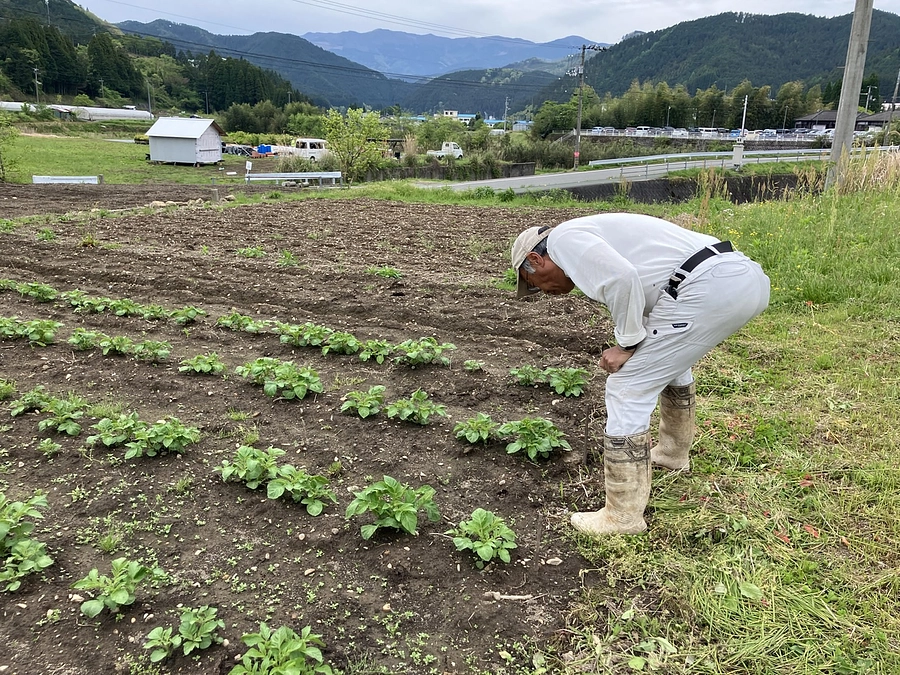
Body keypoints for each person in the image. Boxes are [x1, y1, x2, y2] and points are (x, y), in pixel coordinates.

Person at [510, 213, 770, 536]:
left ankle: (622, 519)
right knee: (667, 360)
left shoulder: (564, 240)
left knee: (626, 387)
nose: (543, 292)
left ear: (536, 258)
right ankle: (673, 453)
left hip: (706, 285)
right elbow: (641, 285)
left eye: (534, 283)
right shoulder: (591, 234)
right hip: (740, 276)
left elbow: (622, 279)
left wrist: (626, 345)